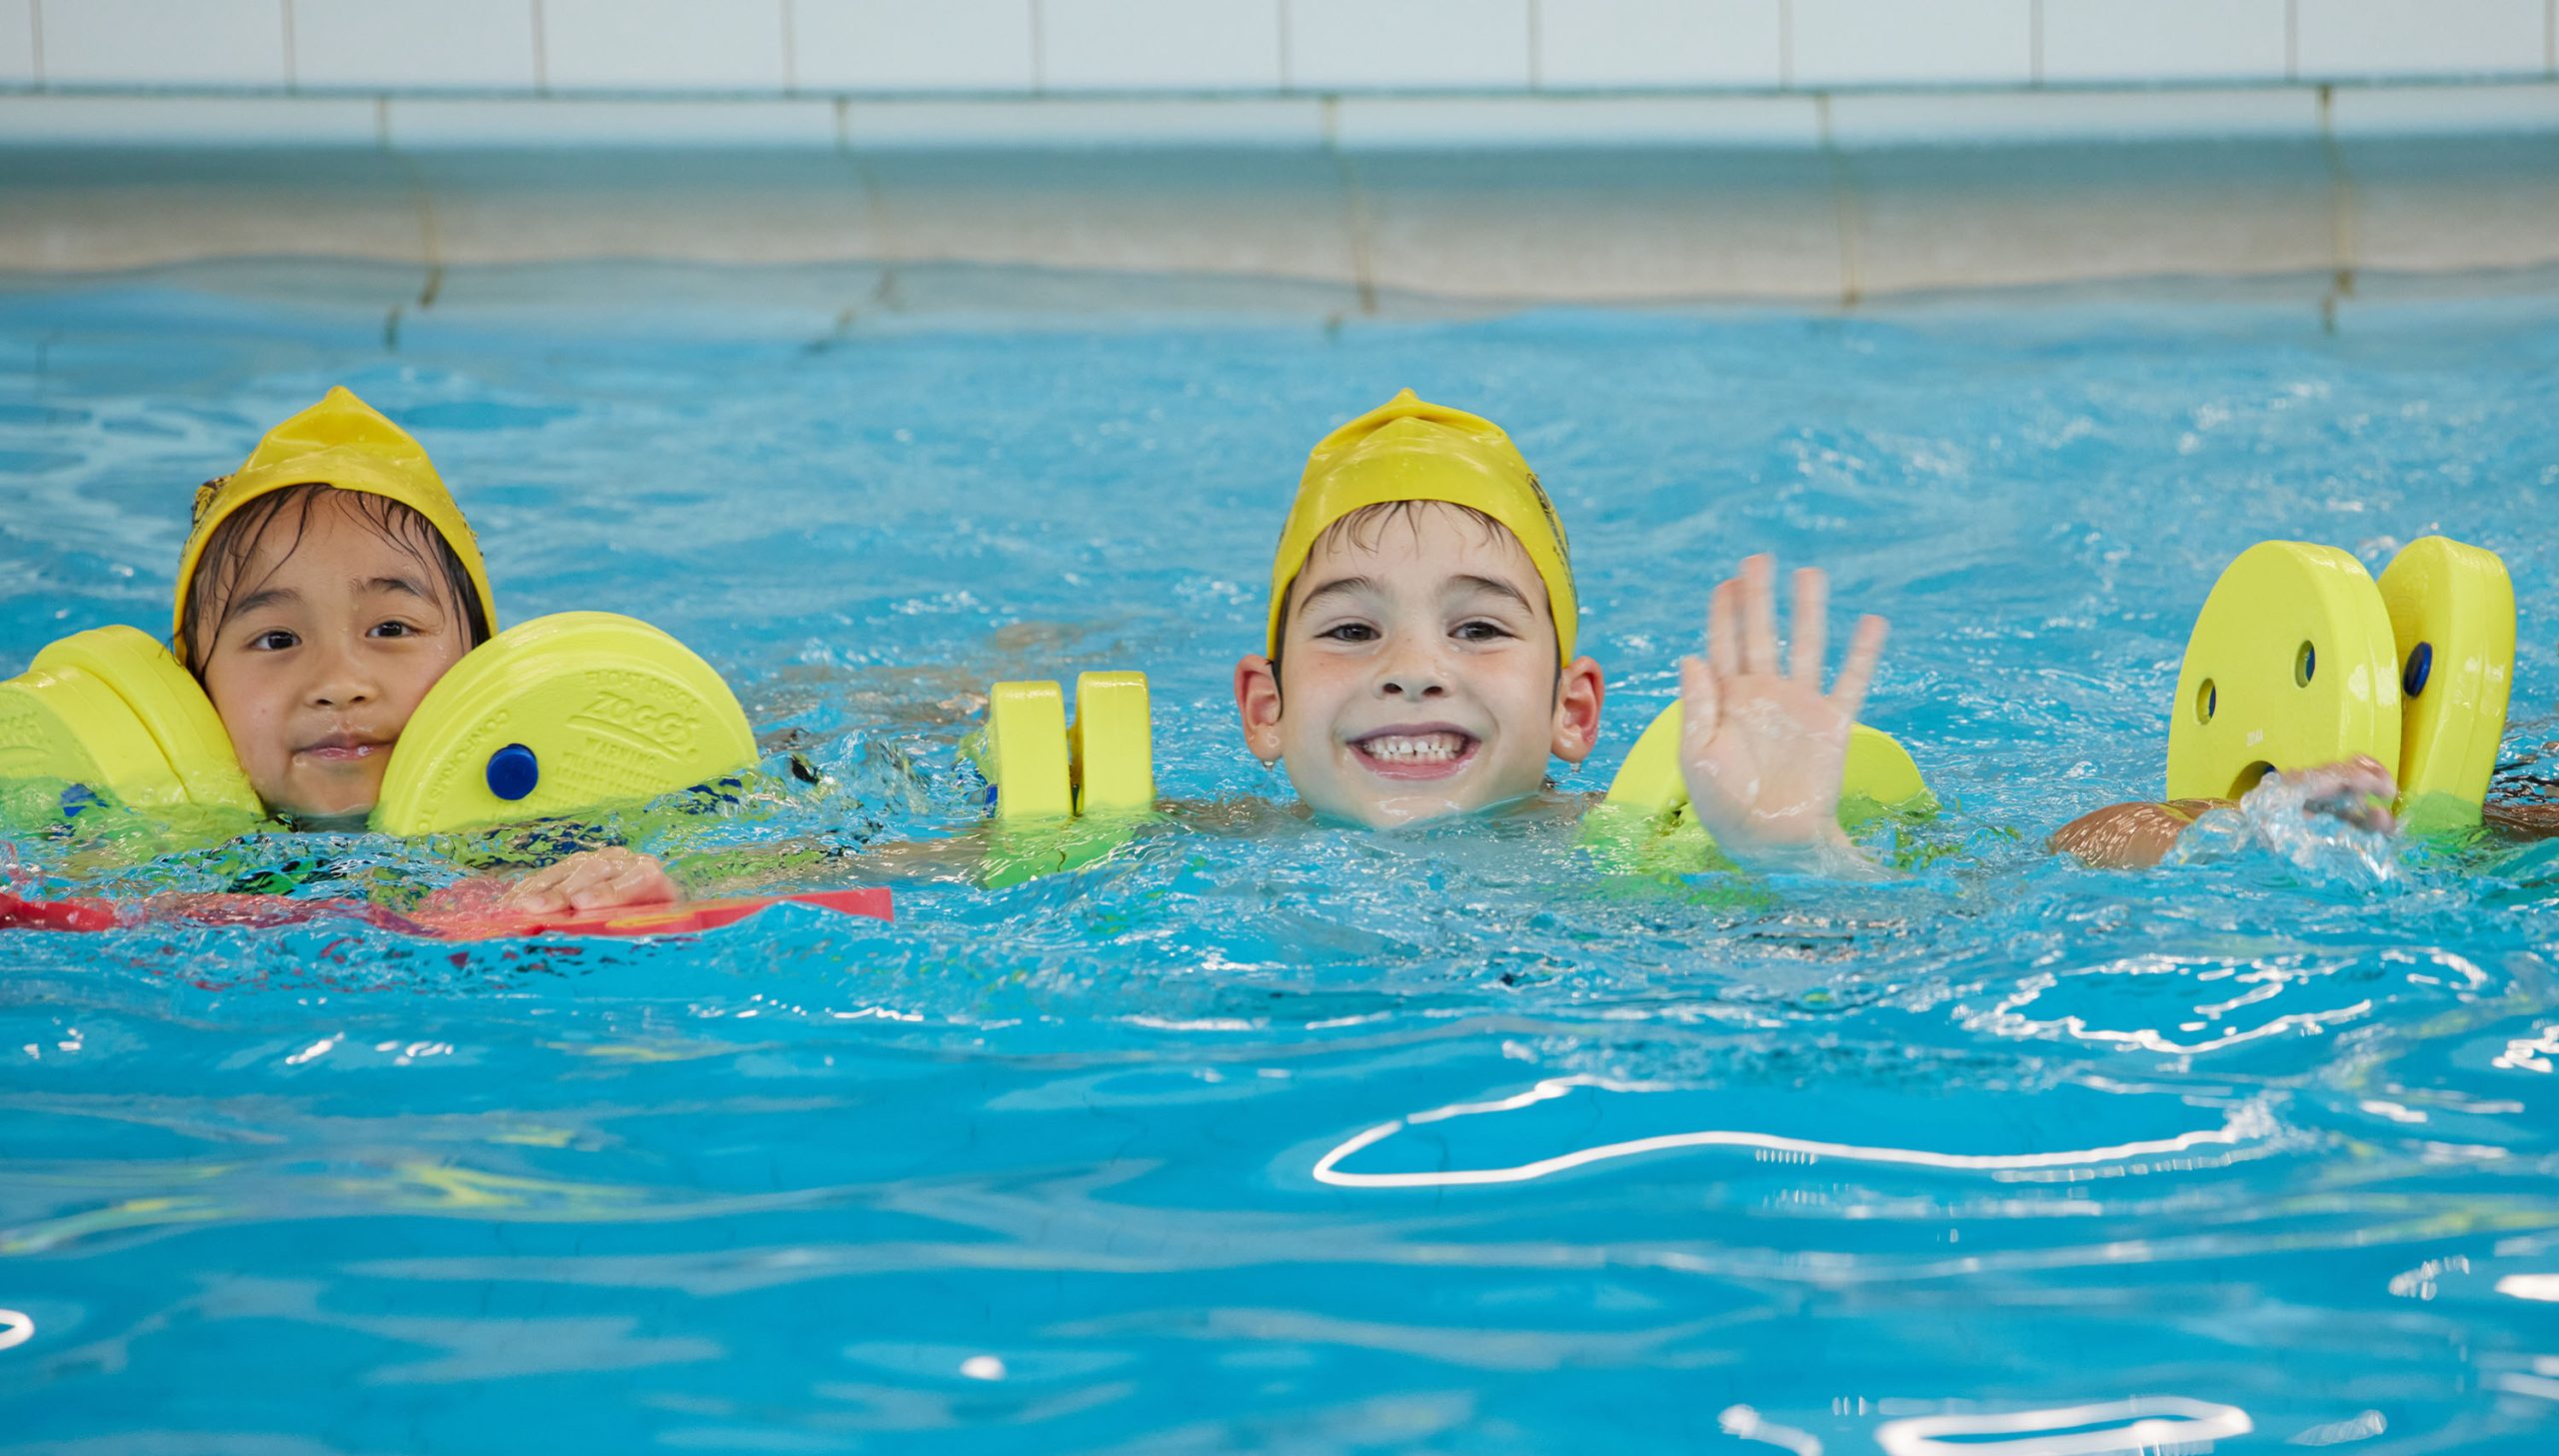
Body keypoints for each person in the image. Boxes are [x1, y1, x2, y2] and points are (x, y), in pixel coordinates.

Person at [1232, 390, 1889, 872]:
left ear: (1571, 710)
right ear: (1267, 708)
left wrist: (1798, 856)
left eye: (1480, 628)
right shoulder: (1192, 850)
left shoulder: (1640, 855)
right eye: (1350, 630)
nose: (1414, 668)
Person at [172, 387, 674, 912]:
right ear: (196, 686)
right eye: (277, 639)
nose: (340, 684)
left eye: (391, 629)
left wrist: (627, 891)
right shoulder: (152, 862)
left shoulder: (563, 835)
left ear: (479, 660)